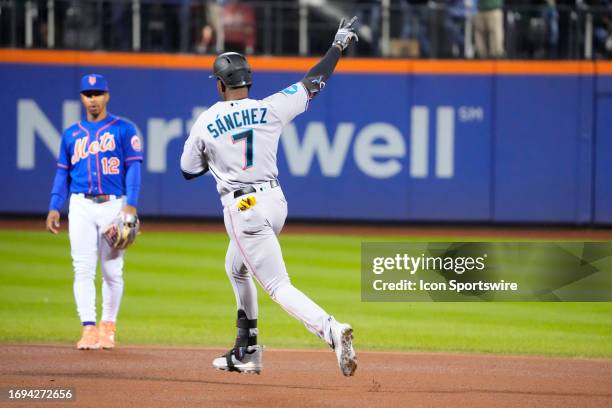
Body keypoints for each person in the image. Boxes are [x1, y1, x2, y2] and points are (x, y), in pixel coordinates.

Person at [180, 17, 359, 377]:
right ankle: (246, 350)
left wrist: (217, 153)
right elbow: (313, 83)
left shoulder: (206, 120)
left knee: (277, 285)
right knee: (235, 267)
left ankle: (332, 330)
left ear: (219, 85)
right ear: (248, 81)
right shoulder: (271, 107)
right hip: (276, 202)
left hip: (243, 207)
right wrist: (337, 46)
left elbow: (188, 169)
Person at [46, 74, 143, 350]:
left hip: (114, 205)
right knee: (83, 269)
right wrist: (55, 205)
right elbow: (62, 173)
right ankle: (88, 327)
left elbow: (134, 168)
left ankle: (108, 326)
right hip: (80, 205)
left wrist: (131, 204)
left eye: (98, 93)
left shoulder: (123, 130)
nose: (93, 99)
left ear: (107, 96)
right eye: (88, 94)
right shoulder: (71, 134)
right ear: (82, 98)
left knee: (112, 271)